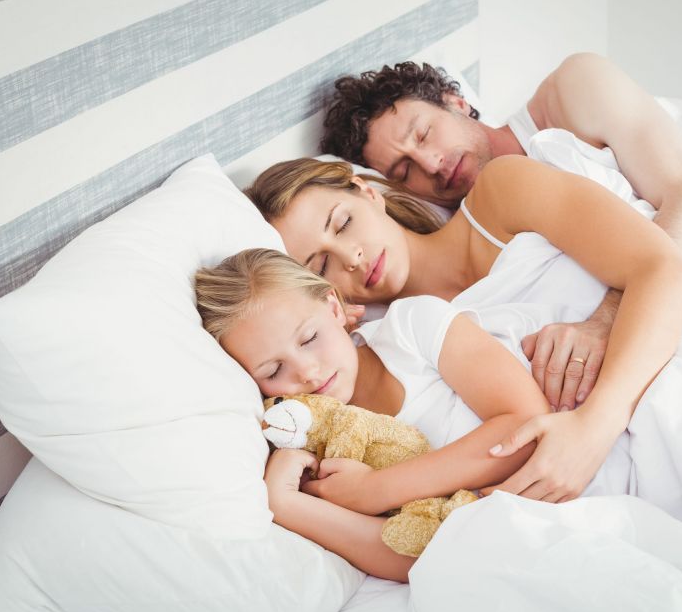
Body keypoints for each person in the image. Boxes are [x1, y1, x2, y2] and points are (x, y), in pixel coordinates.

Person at [244, 154, 682, 502]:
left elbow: (665, 268)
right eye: (322, 264)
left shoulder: (501, 195)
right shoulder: (373, 355)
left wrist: (593, 428)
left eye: (343, 224)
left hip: (673, 389)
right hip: (602, 490)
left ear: (367, 194)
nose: (352, 258)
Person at [319, 53, 682, 415]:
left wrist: (605, 322)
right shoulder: (461, 239)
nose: (431, 164)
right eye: (404, 172)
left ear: (456, 102)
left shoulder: (571, 94)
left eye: (424, 134)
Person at [194, 249, 579, 581]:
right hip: (501, 551)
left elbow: (526, 427)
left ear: (333, 308)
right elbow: (410, 558)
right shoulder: (316, 440)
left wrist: (375, 489)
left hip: (579, 486)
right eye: (273, 371)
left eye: (310, 339)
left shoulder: (411, 328)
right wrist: (287, 504)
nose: (308, 373)